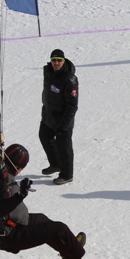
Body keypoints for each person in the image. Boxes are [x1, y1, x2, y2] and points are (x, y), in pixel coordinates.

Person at [0, 143, 97, 259]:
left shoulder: (0, 171)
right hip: (6, 235)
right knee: (58, 229)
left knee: (44, 221)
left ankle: (70, 245)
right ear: (18, 167)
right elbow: (1, 209)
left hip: (12, 224)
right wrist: (20, 195)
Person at [39, 49, 79, 185]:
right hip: (48, 115)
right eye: (54, 60)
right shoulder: (48, 71)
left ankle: (67, 174)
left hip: (63, 119)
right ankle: (55, 164)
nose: (56, 63)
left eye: (59, 60)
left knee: (64, 147)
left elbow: (72, 105)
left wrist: (64, 124)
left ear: (63, 61)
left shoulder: (69, 79)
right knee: (44, 137)